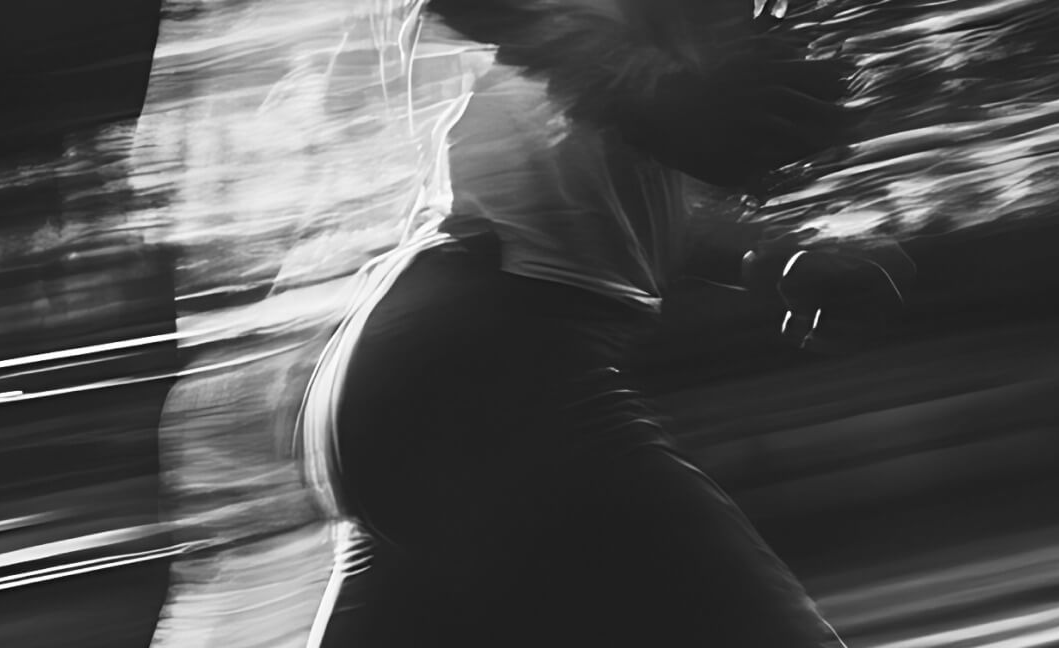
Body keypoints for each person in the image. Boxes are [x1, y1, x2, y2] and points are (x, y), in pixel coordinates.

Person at [309, 1, 899, 646]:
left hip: (406, 381)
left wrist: (776, 257)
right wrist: (639, 82)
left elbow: (614, 189)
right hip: (502, 379)